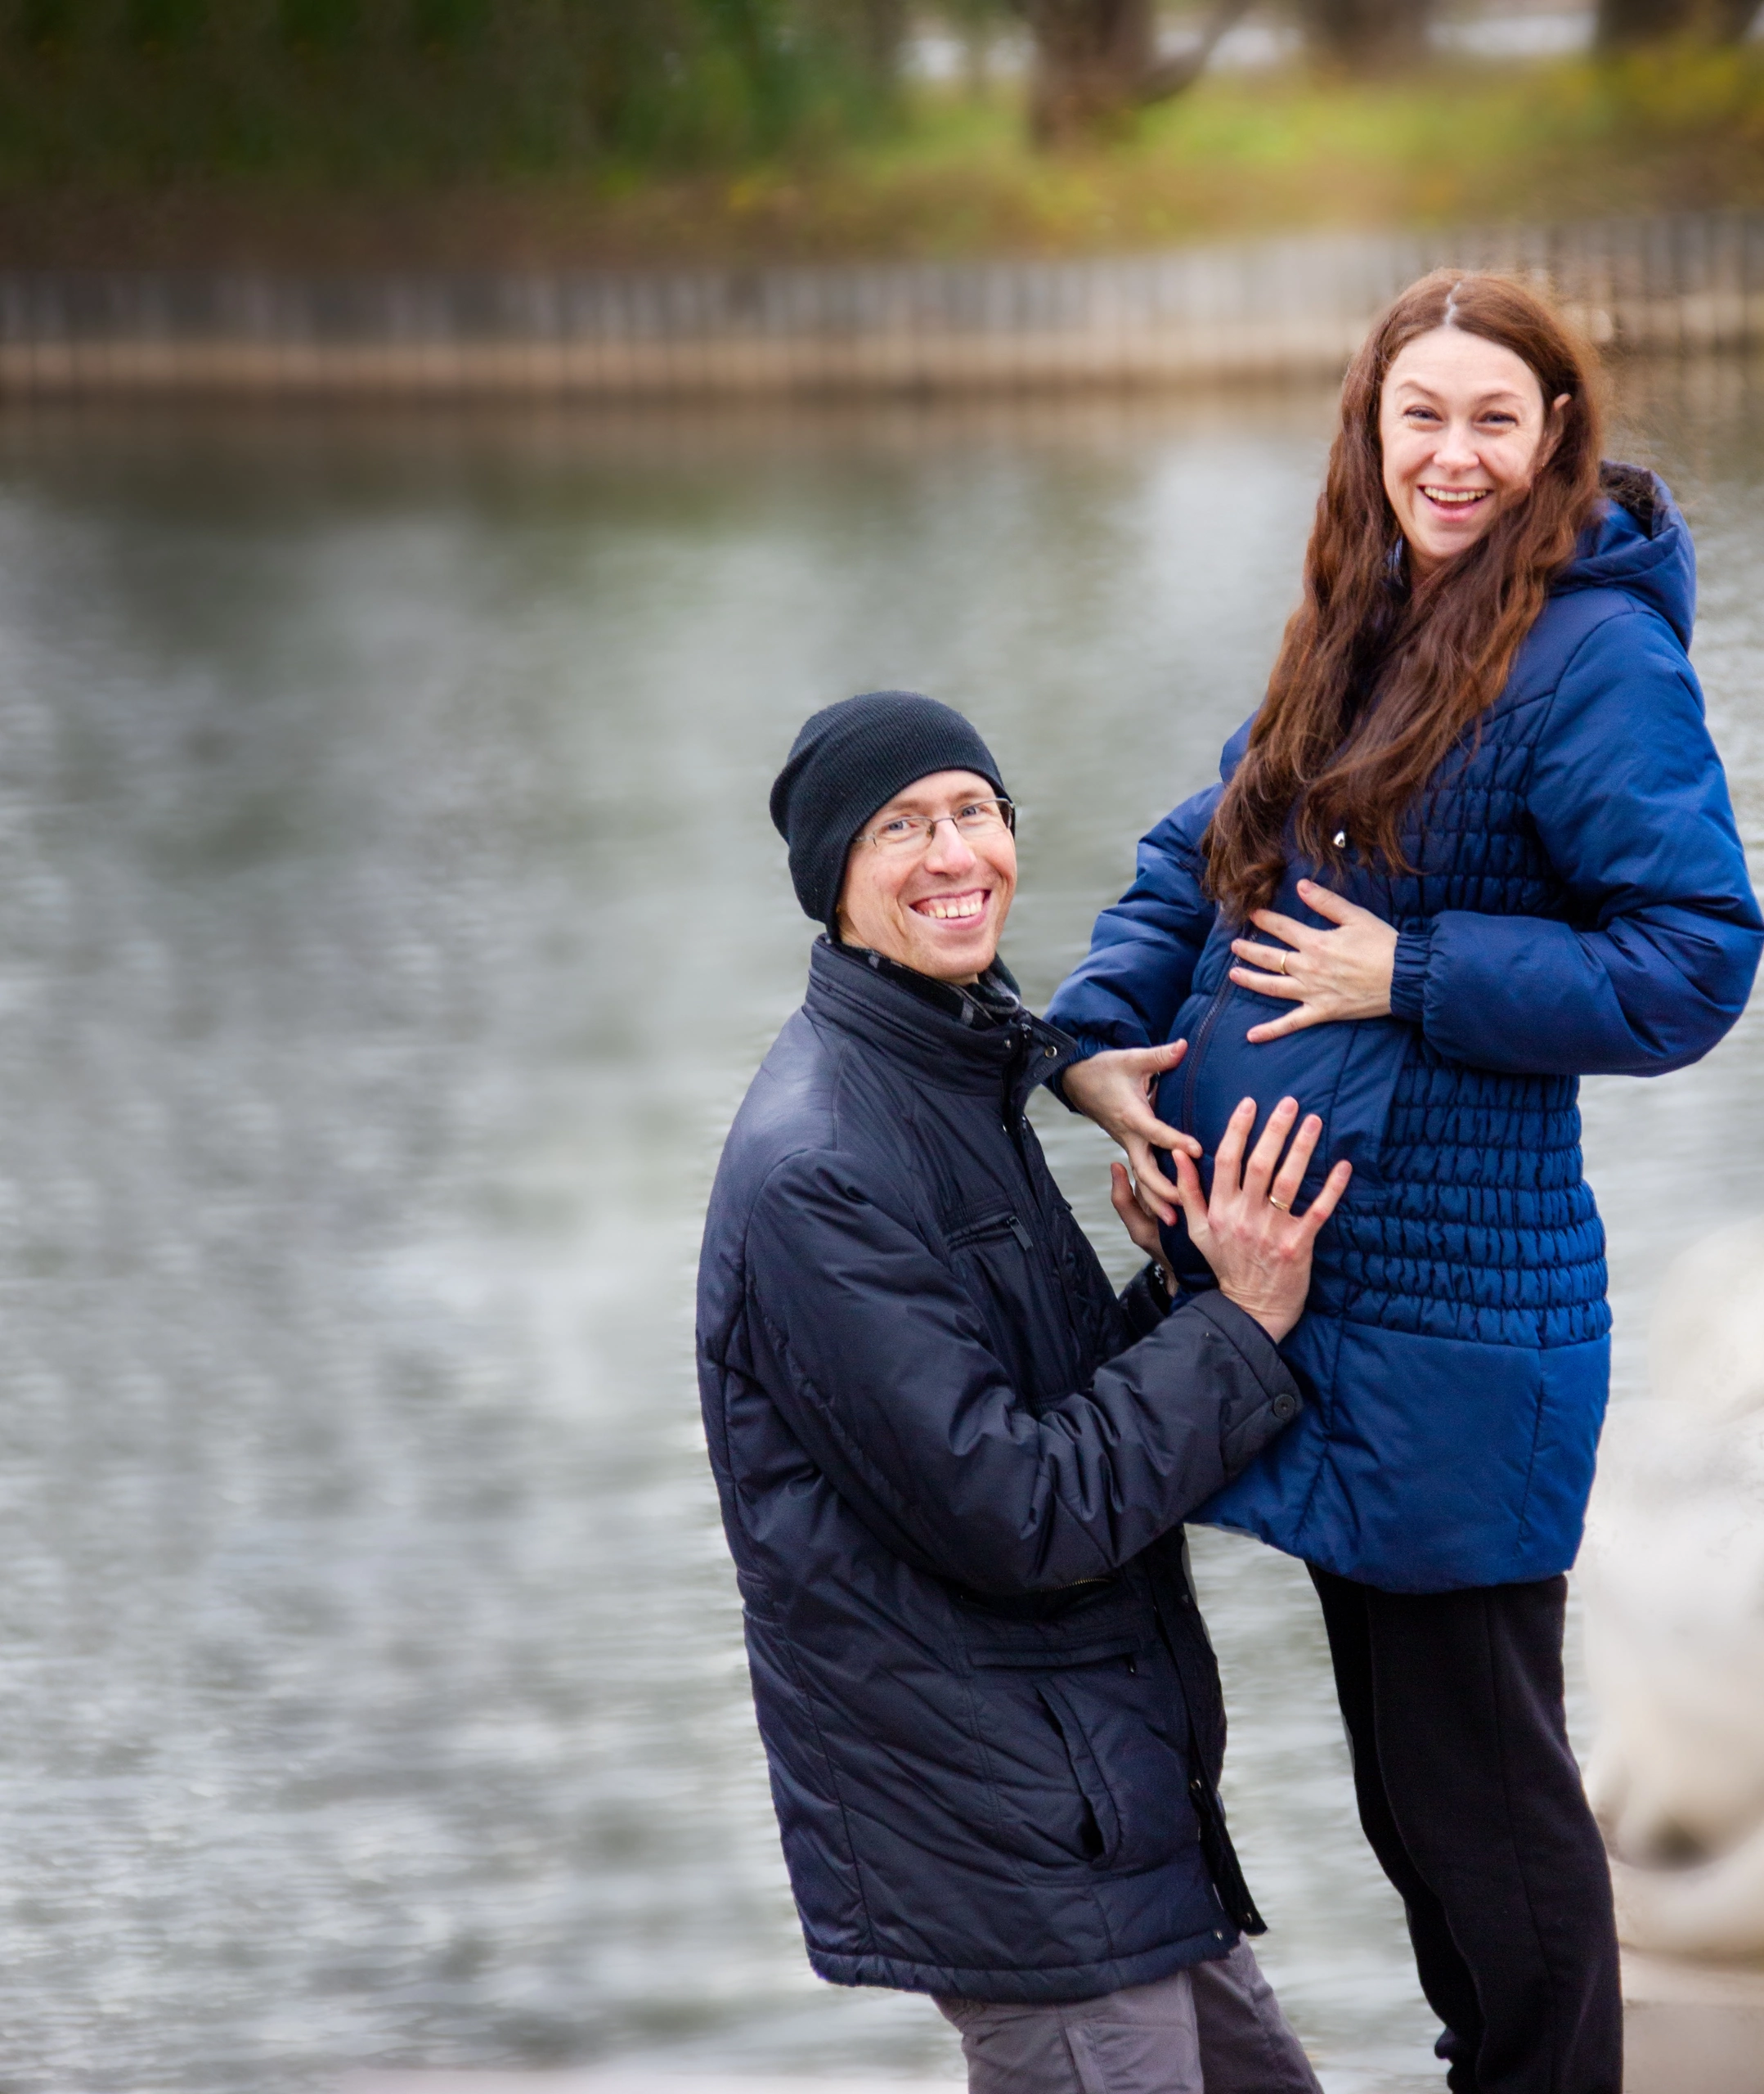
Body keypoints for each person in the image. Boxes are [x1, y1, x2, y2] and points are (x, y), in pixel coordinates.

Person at [1048, 272, 1764, 2094]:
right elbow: (1191, 854)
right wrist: (1101, 1046)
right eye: (1417, 417)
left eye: (1491, 421)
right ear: (1371, 437)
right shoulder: (1358, 620)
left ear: (1550, 442)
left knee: (1492, 1828)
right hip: (1313, 1305)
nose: (1452, 457)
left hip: (1458, 1329)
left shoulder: (1592, 657)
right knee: (1415, 1814)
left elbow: (1692, 956)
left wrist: (1413, 972)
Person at [698, 689, 1353, 2094]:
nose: (954, 856)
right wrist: (1238, 1324)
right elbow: (1020, 1507)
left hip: (1105, 1814)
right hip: (1017, 1848)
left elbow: (1042, 1410)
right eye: (902, 828)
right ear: (836, 878)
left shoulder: (954, 1076)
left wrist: (1188, 1286)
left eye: (976, 813)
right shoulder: (824, 1169)